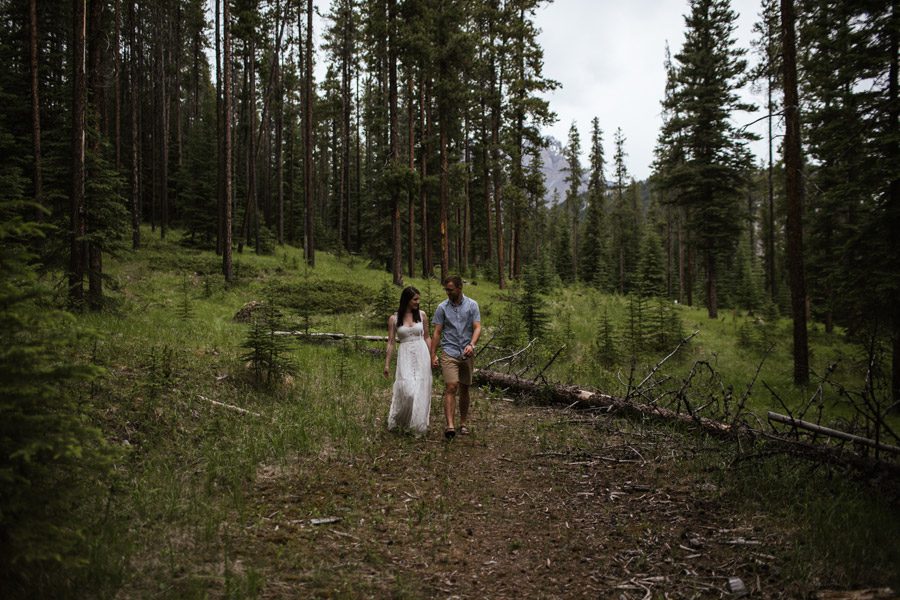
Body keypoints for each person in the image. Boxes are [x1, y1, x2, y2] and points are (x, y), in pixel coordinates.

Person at [430, 275, 481, 439]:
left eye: (450, 289)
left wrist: (472, 345)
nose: (447, 292)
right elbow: (437, 332)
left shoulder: (472, 305)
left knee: (465, 388)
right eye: (446, 289)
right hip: (449, 351)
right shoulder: (442, 308)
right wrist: (433, 354)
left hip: (467, 353)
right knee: (451, 386)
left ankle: (463, 423)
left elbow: (477, 327)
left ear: (459, 288)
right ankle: (450, 425)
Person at [384, 286, 433, 436]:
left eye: (418, 299)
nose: (418, 302)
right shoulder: (394, 319)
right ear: (406, 299)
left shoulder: (422, 315)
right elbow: (391, 342)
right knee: (408, 390)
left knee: (420, 389)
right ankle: (401, 419)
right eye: (415, 299)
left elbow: (427, 337)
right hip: (405, 354)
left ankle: (417, 424)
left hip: (421, 353)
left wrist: (432, 356)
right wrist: (386, 364)